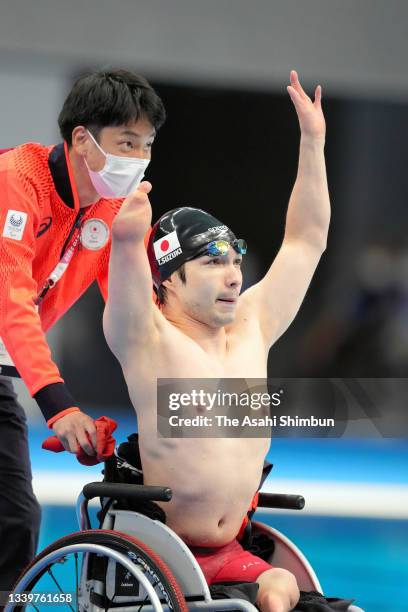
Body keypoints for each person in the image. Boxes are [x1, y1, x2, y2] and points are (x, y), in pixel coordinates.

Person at [104, 70, 329, 612]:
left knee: (280, 591)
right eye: (211, 263)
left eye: (234, 260)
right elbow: (126, 292)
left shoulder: (252, 325)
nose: (234, 275)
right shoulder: (148, 340)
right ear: (169, 282)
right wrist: (129, 238)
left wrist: (313, 142)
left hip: (233, 550)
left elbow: (306, 240)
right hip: (164, 553)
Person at [0, 68, 165, 590]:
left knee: (15, 519)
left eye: (147, 145)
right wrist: (59, 406)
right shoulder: (16, 182)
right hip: (10, 339)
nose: (137, 159)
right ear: (81, 139)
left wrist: (178, 390)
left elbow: (136, 313)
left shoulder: (114, 208)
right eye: (126, 143)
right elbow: (12, 303)